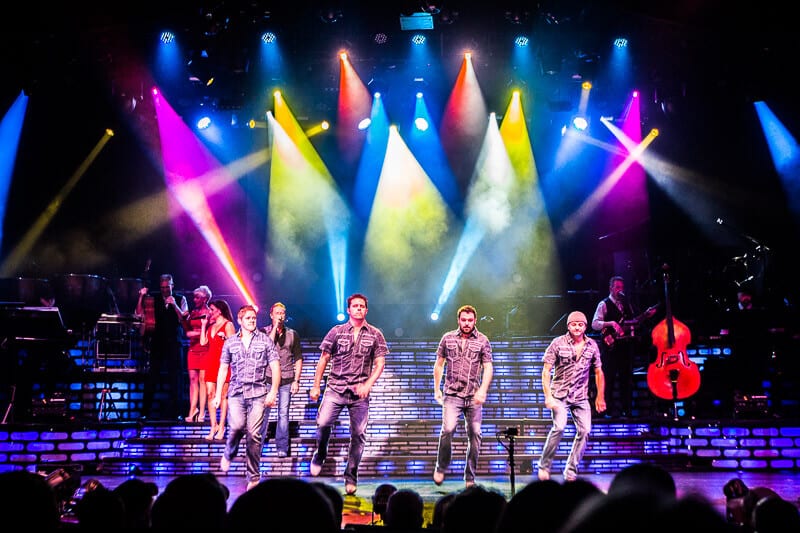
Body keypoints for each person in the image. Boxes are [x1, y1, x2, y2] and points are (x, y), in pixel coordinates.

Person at [308, 293, 389, 496]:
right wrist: (316, 385)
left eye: (362, 306)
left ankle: (351, 475)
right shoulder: (336, 332)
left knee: (358, 434)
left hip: (359, 393)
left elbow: (380, 363)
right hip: (335, 388)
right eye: (355, 306)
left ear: (366, 310)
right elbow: (324, 359)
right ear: (349, 309)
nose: (359, 308)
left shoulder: (375, 334)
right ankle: (320, 454)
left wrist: (368, 384)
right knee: (323, 422)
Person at [214, 304, 280, 491]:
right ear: (240, 320)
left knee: (254, 434)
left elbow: (275, 367)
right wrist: (218, 395)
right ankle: (229, 452)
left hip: (258, 393)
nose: (252, 321)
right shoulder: (230, 343)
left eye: (254, 318)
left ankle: (253, 476)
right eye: (248, 318)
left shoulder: (265, 341)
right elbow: (223, 369)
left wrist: (273, 391)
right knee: (235, 427)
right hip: (235, 393)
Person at [537, 310, 605, 482]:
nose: (577, 327)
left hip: (581, 396)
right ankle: (544, 465)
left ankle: (570, 470)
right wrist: (548, 397)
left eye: (580, 324)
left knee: (585, 430)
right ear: (568, 326)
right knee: (559, 427)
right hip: (559, 394)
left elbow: (598, 371)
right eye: (574, 324)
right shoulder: (557, 343)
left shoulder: (592, 345)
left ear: (585, 326)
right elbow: (546, 371)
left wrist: (600, 396)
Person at [432, 304, 493, 488]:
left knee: (475, 433)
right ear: (458, 320)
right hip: (452, 394)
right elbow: (439, 365)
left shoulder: (483, 340)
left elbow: (488, 367)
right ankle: (441, 467)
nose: (467, 323)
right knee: (448, 429)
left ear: (475, 321)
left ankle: (469, 477)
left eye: (470, 320)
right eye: (464, 320)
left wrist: (483, 390)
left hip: (473, 396)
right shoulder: (447, 338)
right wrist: (436, 389)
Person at [591, 275, 655, 418]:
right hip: (611, 348)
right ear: (611, 288)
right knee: (609, 378)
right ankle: (606, 411)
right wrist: (611, 323)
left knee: (626, 378)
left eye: (622, 287)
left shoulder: (627, 304)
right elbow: (594, 324)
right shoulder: (604, 304)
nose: (620, 290)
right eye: (617, 287)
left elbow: (633, 323)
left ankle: (626, 410)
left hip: (626, 346)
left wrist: (645, 316)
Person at [136, 273, 188, 420]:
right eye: (162, 287)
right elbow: (139, 314)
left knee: (176, 377)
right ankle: (145, 412)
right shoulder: (153, 299)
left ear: (172, 285)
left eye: (167, 287)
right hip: (157, 341)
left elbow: (184, 320)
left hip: (174, 341)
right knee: (152, 376)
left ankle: (177, 412)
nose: (165, 290)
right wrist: (141, 297)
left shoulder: (180, 298)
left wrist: (174, 304)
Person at [260, 302, 303, 457]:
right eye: (277, 313)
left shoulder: (293, 334)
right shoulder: (263, 332)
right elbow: (267, 347)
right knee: (263, 412)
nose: (280, 316)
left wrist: (296, 380)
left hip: (286, 378)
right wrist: (274, 330)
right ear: (271, 315)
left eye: (282, 313)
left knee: (283, 413)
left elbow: (298, 358)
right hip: (268, 378)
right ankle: (258, 446)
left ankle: (282, 447)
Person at [200, 299, 236, 441]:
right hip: (211, 362)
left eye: (212, 309)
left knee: (222, 396)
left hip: (224, 364)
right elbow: (203, 342)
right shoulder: (211, 326)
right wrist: (203, 326)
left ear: (219, 311)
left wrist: (225, 338)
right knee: (210, 394)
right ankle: (213, 425)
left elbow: (234, 345)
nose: (209, 312)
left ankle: (222, 426)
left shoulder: (228, 324)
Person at [183, 285, 212, 423]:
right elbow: (187, 332)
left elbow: (210, 332)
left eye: (198, 297)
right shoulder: (193, 313)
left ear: (205, 298)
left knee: (203, 381)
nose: (195, 299)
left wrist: (199, 332)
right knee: (192, 380)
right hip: (193, 349)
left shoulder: (210, 312)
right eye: (194, 297)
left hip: (205, 349)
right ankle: (192, 410)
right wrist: (198, 332)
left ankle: (202, 411)